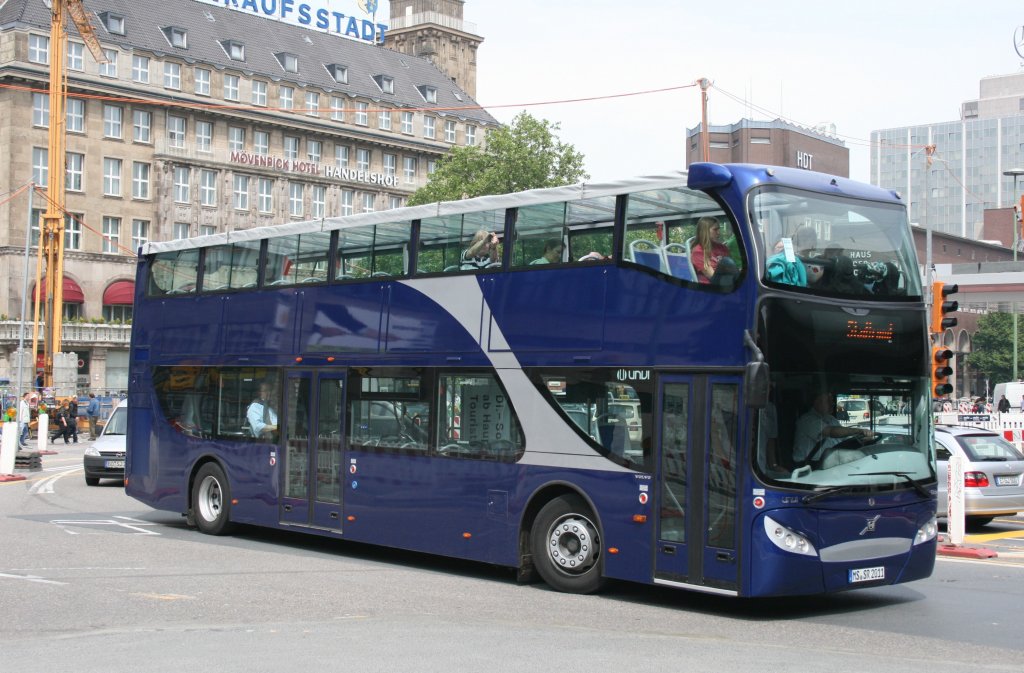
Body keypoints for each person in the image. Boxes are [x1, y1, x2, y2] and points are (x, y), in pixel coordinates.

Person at [793, 391, 874, 468]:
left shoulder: (831, 419)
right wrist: (860, 430)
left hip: (830, 463)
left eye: (831, 400)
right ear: (817, 402)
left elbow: (844, 438)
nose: (833, 403)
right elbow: (832, 432)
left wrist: (862, 438)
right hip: (809, 466)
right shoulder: (807, 420)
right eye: (828, 401)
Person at [689, 216, 732, 285]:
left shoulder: (723, 247)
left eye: (719, 229)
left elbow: (731, 270)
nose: (718, 233)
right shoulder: (698, 251)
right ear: (705, 231)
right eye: (715, 230)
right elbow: (714, 278)